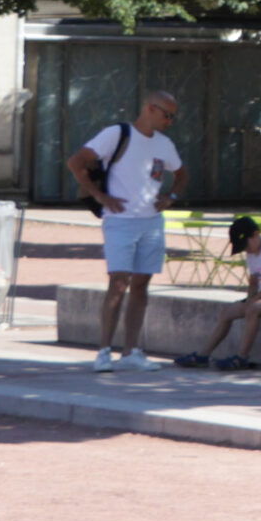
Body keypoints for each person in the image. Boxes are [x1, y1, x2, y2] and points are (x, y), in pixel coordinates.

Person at [66, 91, 186, 372]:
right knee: (118, 283)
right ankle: (104, 351)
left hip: (151, 221)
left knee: (141, 286)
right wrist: (99, 195)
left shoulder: (164, 144)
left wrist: (171, 197)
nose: (170, 120)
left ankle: (131, 350)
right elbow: (76, 161)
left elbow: (181, 174)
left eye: (173, 116)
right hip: (120, 220)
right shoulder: (116, 134)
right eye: (166, 114)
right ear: (149, 108)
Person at [176, 216, 261, 370]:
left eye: (245, 245)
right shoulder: (251, 253)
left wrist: (253, 301)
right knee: (227, 312)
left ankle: (242, 357)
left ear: (255, 234)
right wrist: (249, 297)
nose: (245, 250)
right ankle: (203, 355)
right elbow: (253, 281)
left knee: (253, 310)